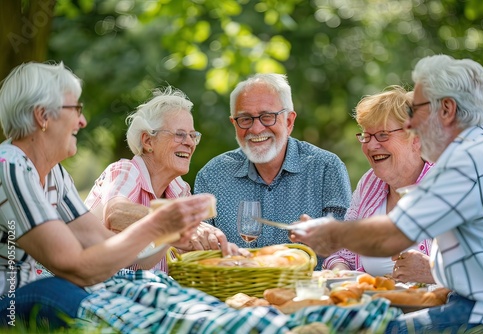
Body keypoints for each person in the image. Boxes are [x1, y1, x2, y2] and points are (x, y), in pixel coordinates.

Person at [0, 61, 399, 333]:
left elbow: (104, 248)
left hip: (80, 283)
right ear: (43, 115)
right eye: (75, 108)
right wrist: (160, 224)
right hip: (22, 298)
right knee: (155, 315)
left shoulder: (55, 175)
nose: (83, 120)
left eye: (193, 135)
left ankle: (298, 324)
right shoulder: (11, 165)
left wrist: (171, 233)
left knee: (163, 294)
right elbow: (80, 265)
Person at [291, 55, 483, 333]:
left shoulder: (463, 162)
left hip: (482, 312)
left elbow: (394, 234)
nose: (416, 124)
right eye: (366, 135)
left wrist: (331, 233)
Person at [193, 73, 352, 267]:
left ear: (289, 121)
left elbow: (345, 251)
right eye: (245, 119)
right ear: (234, 124)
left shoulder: (326, 168)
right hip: (233, 293)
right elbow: (199, 251)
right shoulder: (212, 176)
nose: (257, 129)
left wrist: (324, 239)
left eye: (267, 117)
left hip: (307, 293)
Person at [84, 87, 241, 273]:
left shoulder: (180, 189)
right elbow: (116, 213)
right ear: (148, 141)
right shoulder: (125, 171)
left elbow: (183, 251)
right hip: (99, 286)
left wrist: (217, 248)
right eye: (180, 134)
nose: (190, 143)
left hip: (147, 290)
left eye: (192, 135)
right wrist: (177, 224)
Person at [322, 86, 435, 284]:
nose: (371, 145)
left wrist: (434, 272)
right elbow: (343, 253)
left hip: (438, 309)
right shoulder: (369, 184)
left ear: (416, 138)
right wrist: (341, 273)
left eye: (383, 135)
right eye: (366, 136)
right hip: (376, 304)